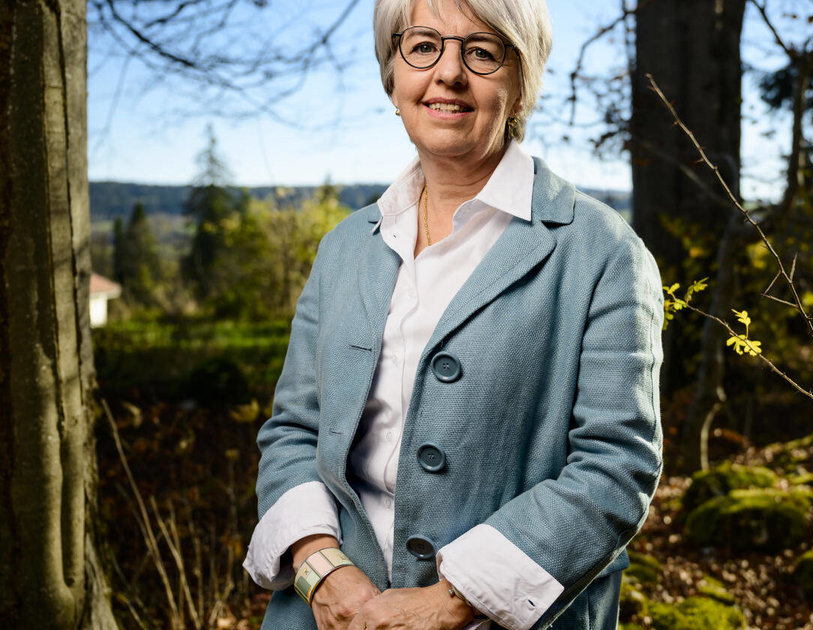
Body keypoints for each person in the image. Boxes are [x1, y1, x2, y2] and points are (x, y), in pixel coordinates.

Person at [241, 0, 664, 629]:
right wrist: (320, 570)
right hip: (326, 615)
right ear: (393, 74)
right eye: (422, 46)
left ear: (520, 83)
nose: (448, 73)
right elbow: (295, 430)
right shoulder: (343, 249)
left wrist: (449, 604)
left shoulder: (602, 251)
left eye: (482, 51)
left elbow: (615, 466)